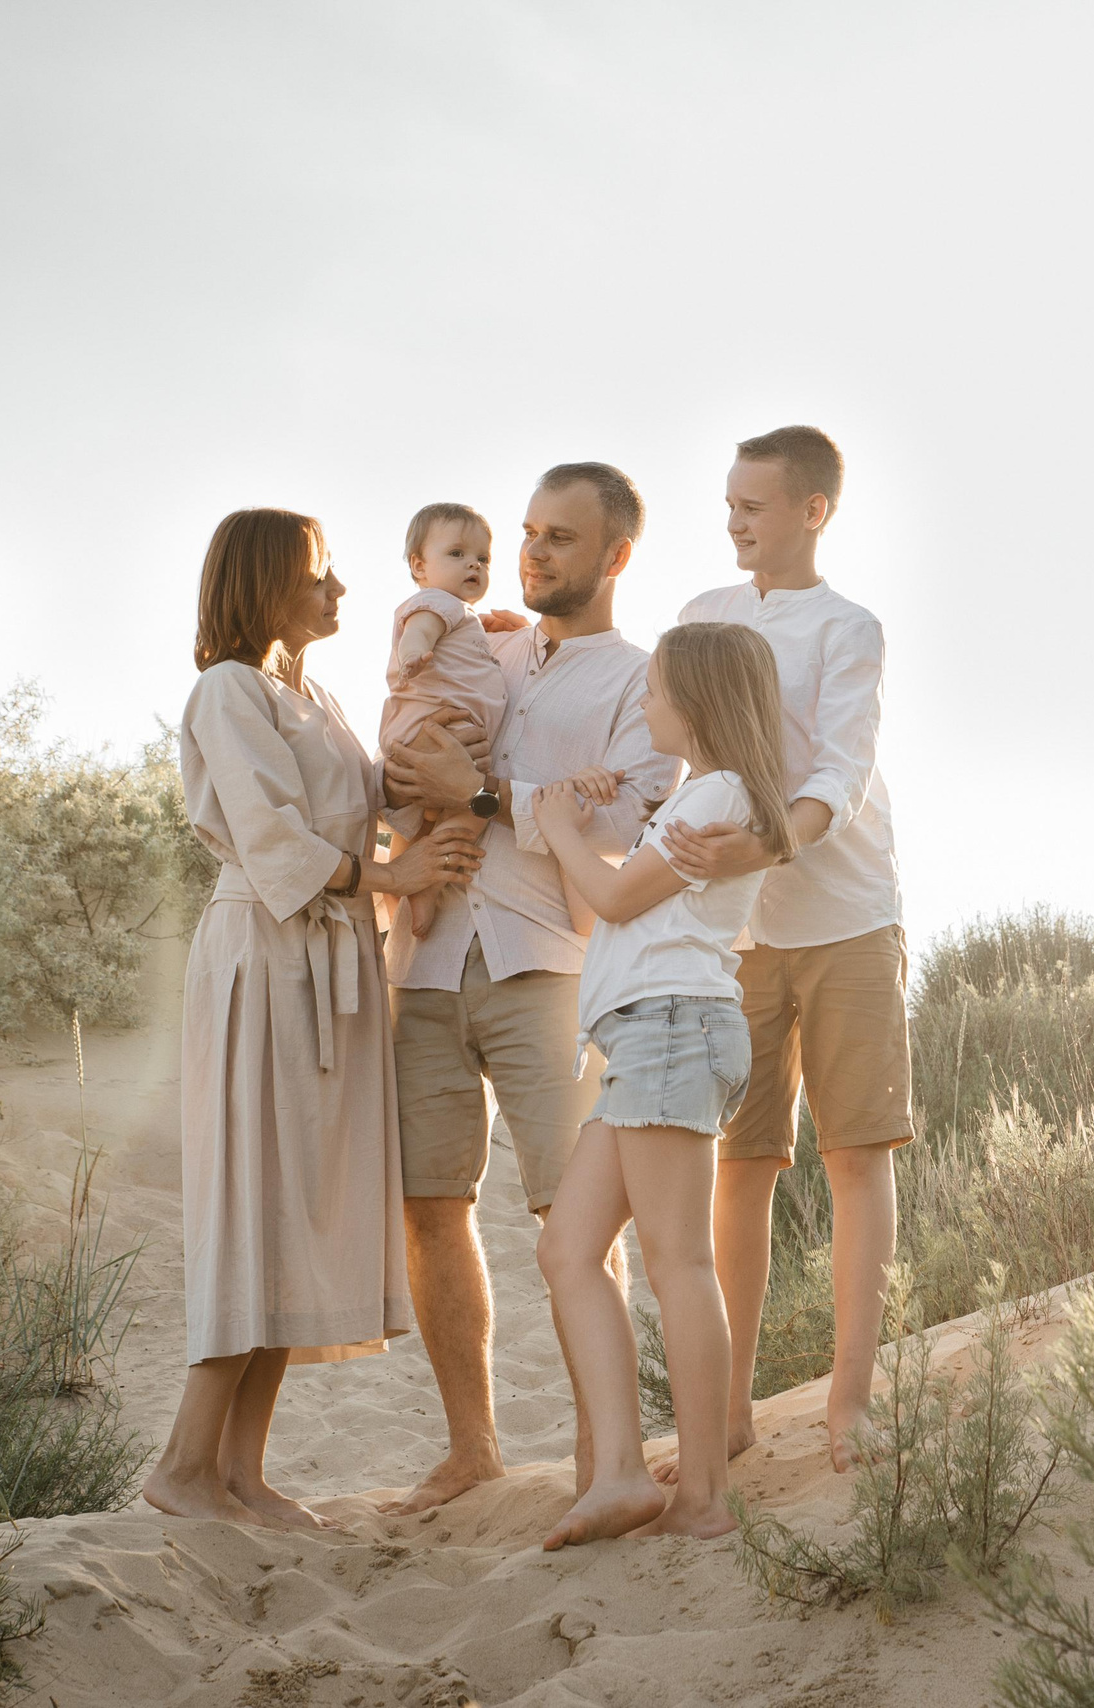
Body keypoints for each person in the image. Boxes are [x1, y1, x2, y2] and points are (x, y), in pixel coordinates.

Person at [142, 508, 486, 1531]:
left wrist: (481, 666)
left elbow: (368, 788)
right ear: (266, 584)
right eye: (321, 575)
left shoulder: (316, 694)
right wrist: (394, 870)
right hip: (267, 957)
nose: (340, 593)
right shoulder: (226, 691)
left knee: (296, 1206)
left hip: (333, 957)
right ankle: (180, 1464)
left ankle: (240, 1474)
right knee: (258, 1198)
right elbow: (269, 834)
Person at [376, 464, 683, 1515]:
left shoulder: (641, 683)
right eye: (527, 532)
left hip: (548, 963)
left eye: (560, 537)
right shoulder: (487, 641)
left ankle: (607, 1453)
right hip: (422, 962)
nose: (533, 553)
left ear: (615, 555)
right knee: (430, 1201)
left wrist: (481, 794)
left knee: (578, 1213)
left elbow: (618, 832)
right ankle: (473, 1450)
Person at [664, 426, 911, 1475]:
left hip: (847, 915)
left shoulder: (849, 628)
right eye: (727, 504)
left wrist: (771, 840)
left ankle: (849, 1404)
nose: (733, 521)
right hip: (736, 931)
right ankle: (722, 1415)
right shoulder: (701, 616)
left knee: (854, 1155)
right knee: (742, 1163)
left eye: (752, 506)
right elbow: (662, 735)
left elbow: (842, 768)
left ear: (812, 509)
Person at [532, 621, 798, 1546]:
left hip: (672, 1031)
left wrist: (559, 827)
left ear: (697, 701)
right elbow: (609, 913)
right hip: (649, 1037)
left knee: (676, 1261)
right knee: (568, 1249)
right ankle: (617, 1474)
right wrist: (594, 826)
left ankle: (703, 1499)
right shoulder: (701, 796)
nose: (642, 703)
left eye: (652, 689)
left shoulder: (721, 791)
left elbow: (608, 900)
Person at [377, 502, 508, 940]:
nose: (473, 563)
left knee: (445, 811)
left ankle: (418, 878)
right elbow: (420, 631)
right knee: (476, 803)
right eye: (456, 553)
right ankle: (430, 880)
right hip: (438, 726)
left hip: (435, 729)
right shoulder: (436, 602)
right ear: (420, 565)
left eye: (483, 558)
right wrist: (412, 653)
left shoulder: (463, 615)